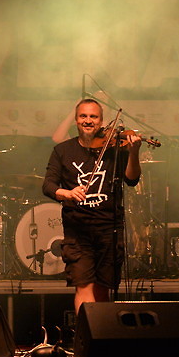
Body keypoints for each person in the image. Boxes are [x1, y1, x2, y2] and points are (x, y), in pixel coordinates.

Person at [42, 98, 142, 314]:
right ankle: (84, 333)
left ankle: (101, 333)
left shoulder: (115, 149)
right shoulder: (62, 150)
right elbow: (48, 185)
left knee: (103, 291)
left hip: (109, 228)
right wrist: (67, 193)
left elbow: (132, 179)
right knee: (84, 286)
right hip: (78, 230)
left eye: (93, 117)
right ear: (76, 120)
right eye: (83, 116)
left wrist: (134, 152)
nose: (88, 121)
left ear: (101, 121)